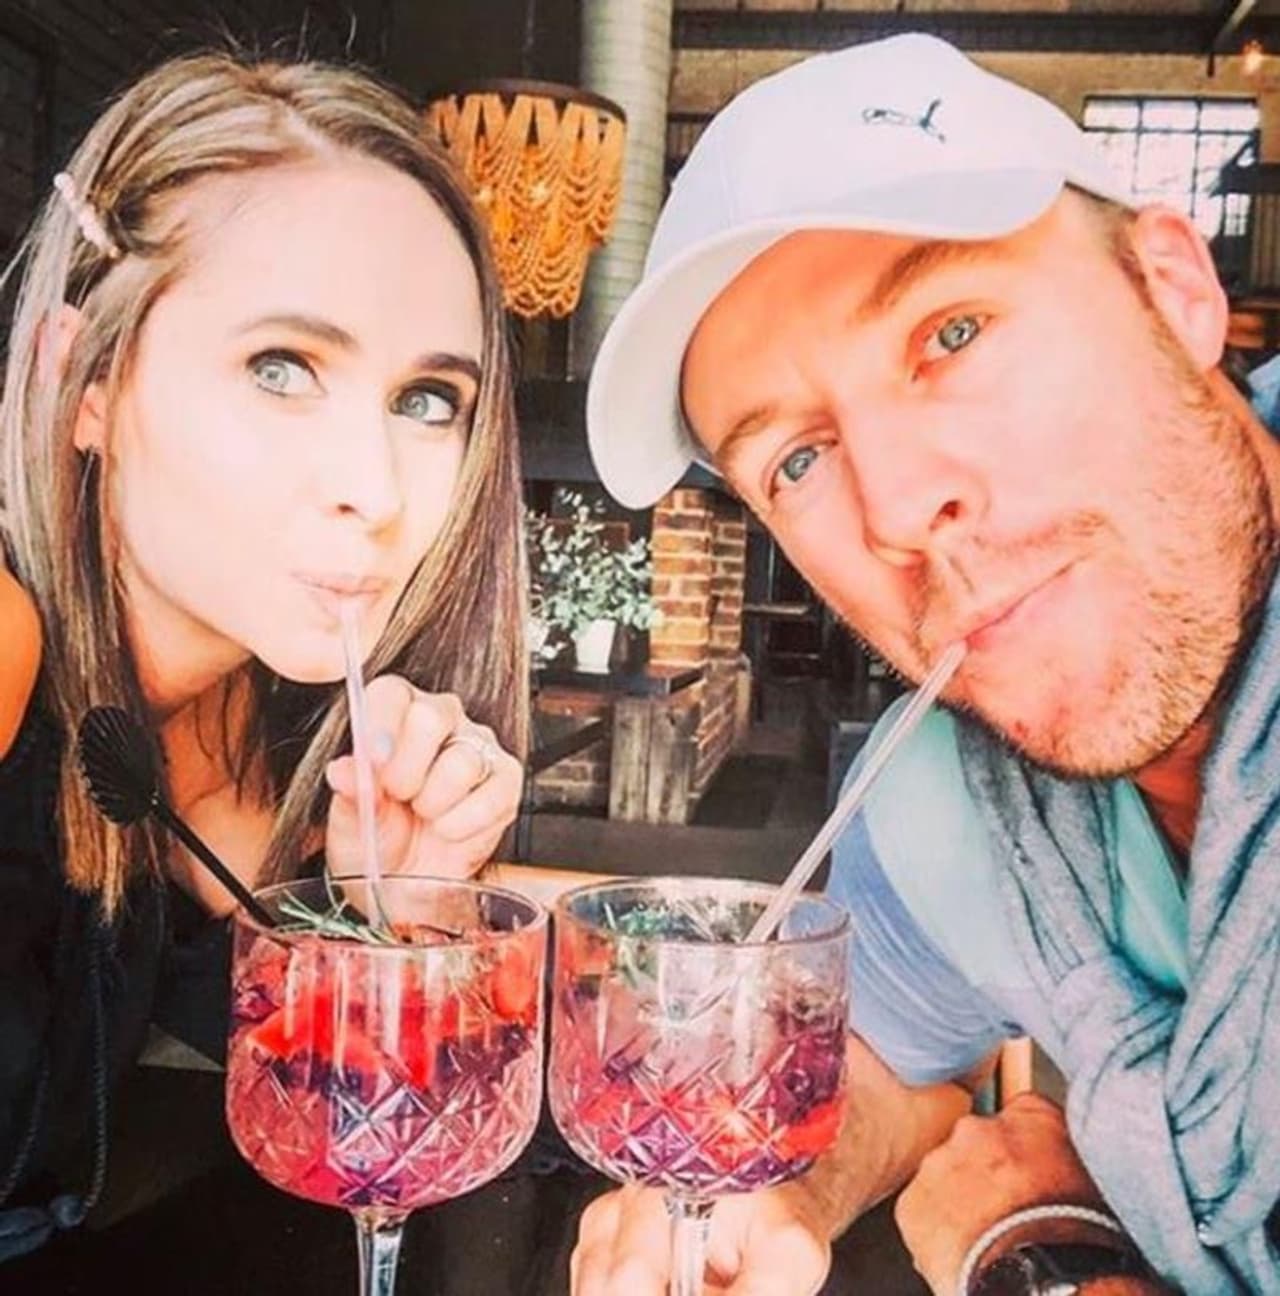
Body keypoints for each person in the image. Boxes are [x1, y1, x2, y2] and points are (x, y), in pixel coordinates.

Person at [576, 32, 1280, 1296]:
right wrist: (776, 1184)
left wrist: (1047, 1261)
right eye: (795, 461)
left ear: (1173, 291)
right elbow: (892, 1061)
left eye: (951, 333)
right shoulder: (947, 806)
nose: (896, 509)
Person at [0, 51, 528, 1261]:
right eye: (281, 370)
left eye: (426, 400)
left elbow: (361, 1156)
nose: (375, 491)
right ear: (82, 383)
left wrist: (393, 923)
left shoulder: (248, 738)